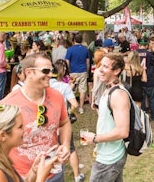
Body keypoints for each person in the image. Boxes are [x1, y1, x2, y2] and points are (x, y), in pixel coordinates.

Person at [0, 53, 71, 182]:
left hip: (54, 172)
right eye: (45, 71)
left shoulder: (57, 96)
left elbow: (65, 122)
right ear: (29, 72)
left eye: (52, 70)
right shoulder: (7, 105)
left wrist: (65, 145)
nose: (50, 74)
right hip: (23, 175)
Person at [0, 104, 58, 182]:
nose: (25, 130)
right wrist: (41, 177)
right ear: (3, 135)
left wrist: (34, 171)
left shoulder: (0, 162)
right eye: (20, 126)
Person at [81, 53, 130, 181]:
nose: (100, 69)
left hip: (109, 159)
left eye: (105, 66)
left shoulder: (118, 94)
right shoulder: (108, 89)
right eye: (100, 65)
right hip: (107, 155)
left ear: (117, 71)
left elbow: (123, 131)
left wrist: (96, 139)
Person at [50, 60, 85, 182]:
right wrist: (70, 113)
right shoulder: (64, 87)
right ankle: (77, 176)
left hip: (48, 123)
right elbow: (74, 104)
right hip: (62, 122)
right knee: (70, 148)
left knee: (52, 149)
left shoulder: (44, 85)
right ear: (63, 71)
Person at [65, 34, 90, 114]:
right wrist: (87, 71)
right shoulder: (86, 49)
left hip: (73, 72)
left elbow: (67, 61)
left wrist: (68, 71)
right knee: (83, 90)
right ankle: (81, 107)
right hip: (83, 71)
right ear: (81, 40)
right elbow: (88, 62)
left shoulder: (70, 49)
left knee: (71, 89)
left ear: (74, 40)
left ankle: (71, 107)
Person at [138, 37, 154, 121]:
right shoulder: (149, 54)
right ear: (146, 45)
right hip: (149, 78)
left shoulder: (135, 53)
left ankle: (143, 116)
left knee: (142, 99)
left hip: (139, 79)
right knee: (152, 98)